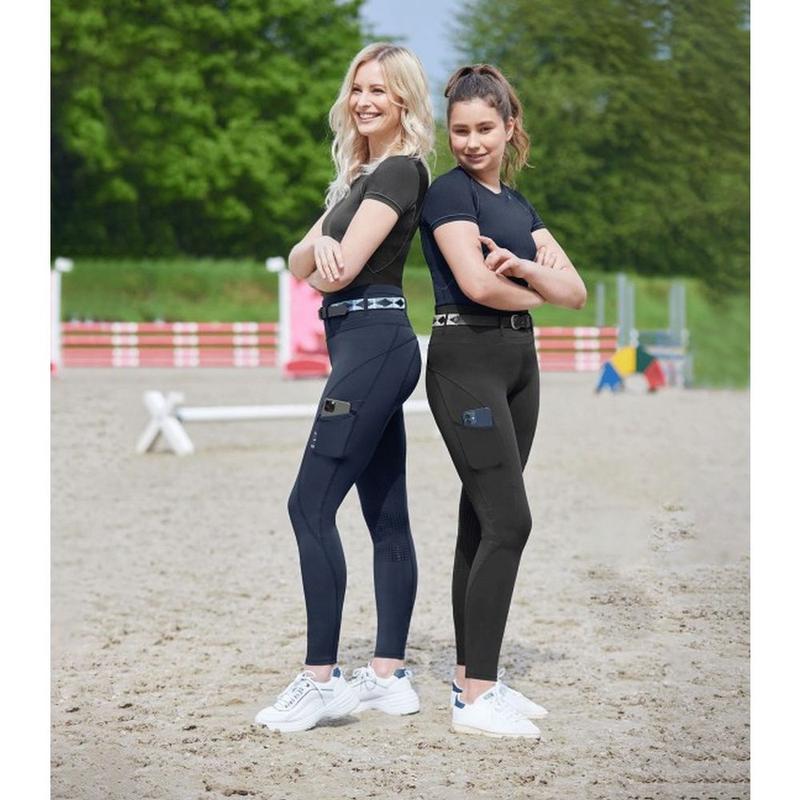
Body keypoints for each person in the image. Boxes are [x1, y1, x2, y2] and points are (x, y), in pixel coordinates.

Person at [254, 43, 434, 733]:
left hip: (373, 345)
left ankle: (321, 680)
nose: (363, 100)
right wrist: (321, 249)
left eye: (379, 90)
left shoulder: (400, 171)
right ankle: (387, 678)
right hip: (365, 346)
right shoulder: (360, 176)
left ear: (404, 101)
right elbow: (299, 260)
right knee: (386, 516)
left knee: (308, 506)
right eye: (358, 88)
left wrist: (326, 253)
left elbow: (335, 269)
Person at [419, 64, 587, 738]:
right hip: (465, 361)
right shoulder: (447, 194)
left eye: (485, 128)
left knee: (482, 520)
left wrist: (524, 268)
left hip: (519, 365)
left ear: (510, 127)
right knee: (511, 522)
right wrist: (540, 289)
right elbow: (476, 286)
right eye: (460, 130)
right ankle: (477, 698)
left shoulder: (518, 207)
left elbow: (576, 293)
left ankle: (472, 675)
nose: (471, 142)